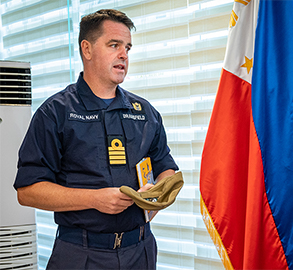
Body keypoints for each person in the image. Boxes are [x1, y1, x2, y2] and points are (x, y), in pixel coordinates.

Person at [14, 9, 178, 269]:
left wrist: (155, 196)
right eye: (114, 45)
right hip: (81, 254)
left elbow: (166, 168)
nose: (123, 54)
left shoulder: (145, 112)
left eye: (127, 48)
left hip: (141, 250)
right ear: (87, 49)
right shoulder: (55, 112)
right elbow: (28, 191)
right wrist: (94, 199)